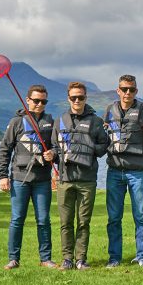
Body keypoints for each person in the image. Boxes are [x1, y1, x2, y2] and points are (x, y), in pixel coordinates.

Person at [50, 82, 109, 270]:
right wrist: (52, 154)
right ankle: (67, 259)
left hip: (87, 180)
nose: (77, 100)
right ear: (68, 98)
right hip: (65, 180)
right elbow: (54, 147)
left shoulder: (96, 121)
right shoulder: (59, 120)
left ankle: (81, 259)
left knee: (84, 222)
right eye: (74, 97)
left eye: (81, 97)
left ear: (86, 98)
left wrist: (89, 149)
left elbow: (104, 146)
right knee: (65, 222)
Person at [103, 75, 143, 268]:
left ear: (136, 91)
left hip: (137, 171)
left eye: (132, 90)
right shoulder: (110, 110)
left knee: (141, 215)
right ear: (118, 90)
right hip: (114, 170)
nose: (128, 93)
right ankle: (114, 258)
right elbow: (105, 135)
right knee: (114, 217)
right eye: (124, 89)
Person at [0, 84, 57, 270]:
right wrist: (3, 176)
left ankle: (45, 258)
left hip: (42, 180)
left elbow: (57, 146)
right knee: (17, 219)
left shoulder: (50, 121)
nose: (40, 104)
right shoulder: (16, 122)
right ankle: (13, 259)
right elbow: (4, 149)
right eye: (37, 100)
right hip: (19, 178)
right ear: (28, 100)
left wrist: (53, 154)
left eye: (44, 101)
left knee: (43, 220)